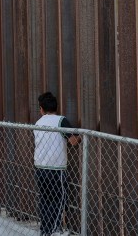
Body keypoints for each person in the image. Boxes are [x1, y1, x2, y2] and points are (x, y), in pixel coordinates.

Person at [33, 92, 81, 236]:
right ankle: (52, 231)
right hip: (56, 169)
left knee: (45, 200)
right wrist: (80, 136)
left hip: (40, 167)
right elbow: (73, 142)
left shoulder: (38, 123)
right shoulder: (61, 121)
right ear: (56, 107)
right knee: (58, 200)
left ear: (41, 109)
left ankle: (45, 230)